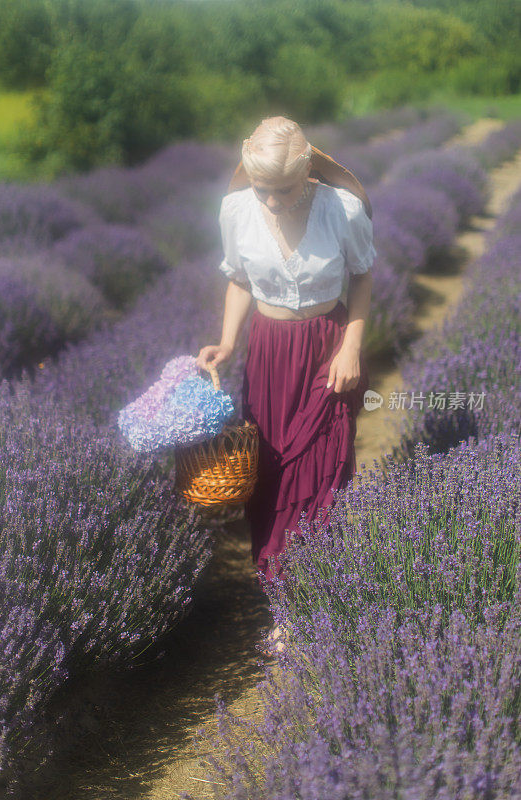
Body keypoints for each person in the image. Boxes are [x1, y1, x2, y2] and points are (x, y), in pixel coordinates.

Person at [196, 116, 376, 653]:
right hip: (269, 356)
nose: (271, 202)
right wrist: (227, 343)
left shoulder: (341, 209)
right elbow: (238, 278)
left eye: (284, 190)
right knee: (270, 480)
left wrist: (351, 346)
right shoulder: (236, 210)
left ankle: (312, 600)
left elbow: (363, 275)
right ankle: (285, 604)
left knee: (322, 475)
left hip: (327, 349)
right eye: (261, 189)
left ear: (308, 173)